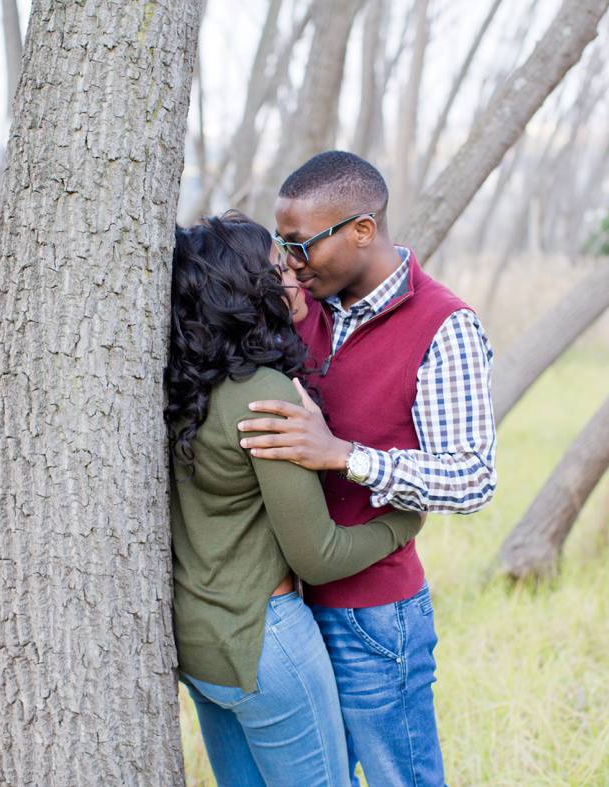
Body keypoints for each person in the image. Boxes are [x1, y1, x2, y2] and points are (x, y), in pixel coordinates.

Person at [238, 151, 497, 786]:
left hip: (376, 620)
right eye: (283, 245)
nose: (291, 263)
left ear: (361, 229)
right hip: (287, 615)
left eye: (302, 246)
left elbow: (471, 477)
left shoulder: (444, 326)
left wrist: (342, 456)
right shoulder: (308, 312)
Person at [166, 211, 424, 787]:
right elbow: (319, 556)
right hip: (265, 644)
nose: (290, 273)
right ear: (244, 290)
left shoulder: (181, 385)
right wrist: (402, 521)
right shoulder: (264, 395)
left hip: (198, 647)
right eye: (273, 266)